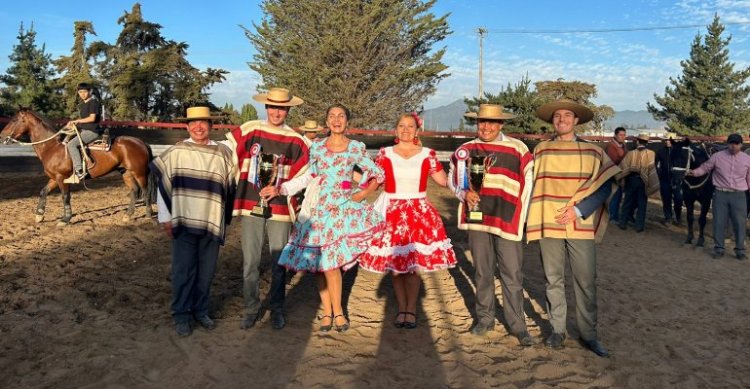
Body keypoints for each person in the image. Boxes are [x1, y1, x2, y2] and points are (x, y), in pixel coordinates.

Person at [268, 104, 384, 333]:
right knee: (319, 265)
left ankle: (338, 311)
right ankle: (327, 311)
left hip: (341, 210)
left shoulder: (355, 148)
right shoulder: (318, 147)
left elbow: (377, 174)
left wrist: (361, 193)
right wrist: (281, 189)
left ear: (347, 121)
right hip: (319, 210)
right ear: (327, 121)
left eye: (341, 116)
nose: (336, 120)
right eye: (332, 116)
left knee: (331, 265)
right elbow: (309, 175)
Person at [526, 99, 620, 357]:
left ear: (576, 120)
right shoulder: (541, 150)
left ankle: (589, 335)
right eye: (557, 115)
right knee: (552, 279)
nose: (562, 119)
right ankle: (558, 330)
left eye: (568, 115)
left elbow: (605, 185)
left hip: (580, 224)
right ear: (552, 120)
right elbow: (529, 183)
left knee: (585, 280)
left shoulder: (593, 151)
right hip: (548, 222)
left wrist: (578, 210)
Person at [445, 104, 536, 347]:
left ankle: (518, 325)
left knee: (512, 273)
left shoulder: (518, 149)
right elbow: (452, 179)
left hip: (506, 220)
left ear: (501, 124)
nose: (486, 127)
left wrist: (521, 217)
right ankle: (485, 319)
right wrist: (464, 194)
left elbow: (528, 184)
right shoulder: (466, 150)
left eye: (491, 122)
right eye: (481, 122)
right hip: (478, 219)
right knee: (483, 272)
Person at [358, 112, 457, 330]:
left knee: (412, 267)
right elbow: (375, 181)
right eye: (401, 126)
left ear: (417, 130)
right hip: (392, 212)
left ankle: (410, 310)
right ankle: (401, 308)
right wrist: (351, 184)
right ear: (396, 130)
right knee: (396, 267)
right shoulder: (385, 153)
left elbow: (442, 180)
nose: (405, 130)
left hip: (418, 214)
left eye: (410, 126)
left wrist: (464, 179)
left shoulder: (427, 154)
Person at [224, 87, 311, 330]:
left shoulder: (298, 140)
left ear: (288, 110)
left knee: (279, 261)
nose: (276, 112)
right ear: (266, 107)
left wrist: (281, 190)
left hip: (281, 208)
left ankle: (277, 309)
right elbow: (226, 152)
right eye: (273, 106)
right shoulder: (251, 129)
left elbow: (305, 176)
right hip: (251, 203)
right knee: (250, 261)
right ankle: (251, 308)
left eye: (281, 108)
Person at [150, 106, 236, 337]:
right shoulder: (177, 152)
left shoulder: (223, 153)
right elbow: (162, 185)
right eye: (193, 123)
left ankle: (201, 310)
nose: (198, 127)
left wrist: (225, 216)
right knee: (183, 270)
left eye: (203, 123)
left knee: (206, 271)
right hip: (183, 220)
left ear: (211, 126)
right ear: (187, 126)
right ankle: (181, 314)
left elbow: (230, 184)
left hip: (210, 220)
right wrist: (165, 217)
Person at [687, 133, 750, 260]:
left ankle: (740, 250)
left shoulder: (747, 159)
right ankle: (719, 248)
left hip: (739, 195)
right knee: (719, 222)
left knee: (739, 223)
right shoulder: (717, 157)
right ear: (727, 144)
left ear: (741, 145)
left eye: (736, 144)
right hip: (720, 194)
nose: (733, 146)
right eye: (731, 143)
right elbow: (705, 168)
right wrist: (693, 172)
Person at [617, 133, 659, 232]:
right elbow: (651, 169)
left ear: (637, 141)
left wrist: (621, 178)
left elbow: (623, 167)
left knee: (627, 202)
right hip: (643, 181)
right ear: (646, 143)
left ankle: (623, 223)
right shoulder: (651, 153)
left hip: (631, 180)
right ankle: (639, 226)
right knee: (642, 204)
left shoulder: (630, 153)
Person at [65, 82, 103, 180]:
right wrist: (74, 126)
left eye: (84, 92)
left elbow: (92, 118)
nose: (82, 94)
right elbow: (84, 121)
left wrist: (77, 120)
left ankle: (79, 171)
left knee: (71, 144)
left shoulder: (93, 102)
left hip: (92, 131)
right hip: (84, 130)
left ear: (89, 91)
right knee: (65, 139)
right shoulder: (82, 105)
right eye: (80, 92)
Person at [655, 132, 683, 225]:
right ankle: (668, 218)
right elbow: (656, 165)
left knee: (678, 200)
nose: (667, 142)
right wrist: (659, 176)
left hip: (677, 180)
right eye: (666, 140)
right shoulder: (660, 151)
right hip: (664, 179)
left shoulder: (679, 151)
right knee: (666, 199)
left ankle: (678, 217)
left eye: (669, 140)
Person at [606, 127, 627, 222]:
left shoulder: (623, 146)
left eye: (624, 135)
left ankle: (615, 215)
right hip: (613, 175)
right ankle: (612, 216)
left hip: (620, 174)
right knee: (614, 195)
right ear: (615, 135)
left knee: (618, 196)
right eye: (620, 135)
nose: (623, 137)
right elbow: (613, 162)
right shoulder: (611, 147)